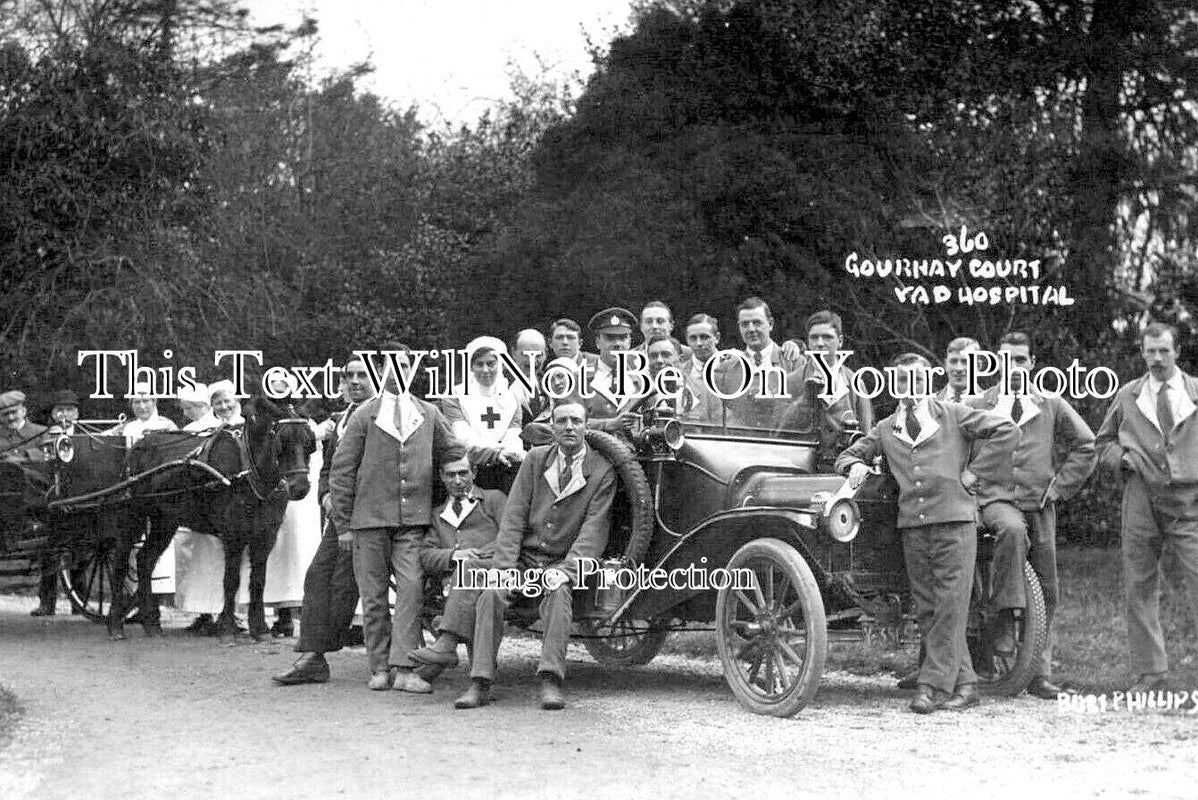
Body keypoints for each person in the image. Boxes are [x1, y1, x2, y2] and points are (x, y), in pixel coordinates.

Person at [836, 353, 1019, 714]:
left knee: (951, 606)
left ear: (927, 381)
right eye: (902, 380)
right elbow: (847, 454)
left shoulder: (952, 413)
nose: (909, 388)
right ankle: (966, 684)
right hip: (913, 528)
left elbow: (1006, 430)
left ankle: (929, 686)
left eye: (916, 380)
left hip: (955, 523)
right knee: (929, 609)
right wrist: (856, 463)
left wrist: (973, 474)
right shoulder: (887, 427)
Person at [410, 399, 616, 710]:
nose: (569, 427)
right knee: (491, 593)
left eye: (576, 421)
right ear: (553, 427)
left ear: (587, 427)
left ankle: (550, 680)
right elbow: (515, 517)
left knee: (558, 593)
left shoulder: (601, 471)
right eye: (562, 421)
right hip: (524, 559)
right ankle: (479, 682)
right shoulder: (535, 460)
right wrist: (505, 566)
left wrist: (568, 569)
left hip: (563, 561)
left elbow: (594, 529)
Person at [969, 332, 1096, 699]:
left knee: (1047, 587)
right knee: (1001, 551)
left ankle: (1038, 673)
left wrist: (1058, 487)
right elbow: (956, 442)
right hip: (995, 500)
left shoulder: (1051, 403)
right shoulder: (981, 403)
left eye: (1021, 360)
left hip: (1039, 504)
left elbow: (1087, 444)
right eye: (1007, 360)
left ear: (1032, 362)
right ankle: (999, 631)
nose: (1014, 368)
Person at [328, 344, 458, 693]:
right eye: (390, 366)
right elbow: (341, 472)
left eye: (405, 366)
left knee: (412, 590)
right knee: (372, 596)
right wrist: (342, 525)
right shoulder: (363, 415)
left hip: (413, 523)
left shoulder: (428, 413)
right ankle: (379, 667)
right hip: (368, 523)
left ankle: (404, 667)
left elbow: (454, 454)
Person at [1095, 322, 1198, 693]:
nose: (1156, 359)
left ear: (1177, 353)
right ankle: (1151, 673)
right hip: (1141, 498)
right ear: (1142, 352)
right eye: (1150, 351)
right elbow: (1101, 443)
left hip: (1189, 501)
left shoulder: (1194, 392)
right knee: (1139, 583)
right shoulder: (1128, 396)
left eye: (1164, 351)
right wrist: (1121, 459)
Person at [274, 355, 376, 685]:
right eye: (350, 376)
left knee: (345, 584)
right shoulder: (341, 419)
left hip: (370, 517)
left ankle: (385, 657)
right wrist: (325, 495)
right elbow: (329, 469)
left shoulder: (381, 415)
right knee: (318, 576)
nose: (356, 381)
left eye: (363, 375)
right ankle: (314, 657)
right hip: (341, 517)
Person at [173, 381, 241, 633]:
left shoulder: (246, 426)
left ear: (236, 402)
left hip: (238, 504)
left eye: (227, 401)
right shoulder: (199, 429)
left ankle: (232, 614)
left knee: (234, 560)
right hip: (207, 504)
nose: (224, 407)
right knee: (203, 558)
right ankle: (204, 612)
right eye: (218, 403)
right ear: (211, 407)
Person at [440, 336, 524, 490]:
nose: (485, 370)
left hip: (506, 468)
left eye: (491, 364)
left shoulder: (512, 398)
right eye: (479, 364)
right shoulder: (455, 396)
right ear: (471, 366)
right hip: (470, 469)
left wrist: (507, 453)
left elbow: (513, 436)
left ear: (501, 365)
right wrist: (494, 454)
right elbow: (462, 437)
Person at [710, 297, 793, 430]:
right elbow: (718, 414)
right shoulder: (726, 369)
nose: (751, 329)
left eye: (757, 323)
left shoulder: (792, 361)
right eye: (745, 324)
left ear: (770, 324)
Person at [583, 307, 651, 436]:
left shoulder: (642, 381)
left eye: (622, 338)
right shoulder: (579, 379)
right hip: (592, 451)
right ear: (598, 342)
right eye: (610, 338)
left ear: (630, 342)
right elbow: (567, 423)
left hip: (635, 453)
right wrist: (609, 424)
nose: (617, 344)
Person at [645, 334, 717, 423]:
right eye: (653, 356)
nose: (659, 360)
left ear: (681, 359)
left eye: (666, 355)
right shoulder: (639, 392)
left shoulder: (706, 391)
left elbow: (723, 427)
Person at [510, 329, 550, 427]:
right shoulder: (500, 384)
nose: (532, 361)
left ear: (546, 354)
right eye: (526, 355)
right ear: (513, 353)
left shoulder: (552, 382)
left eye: (538, 355)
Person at [938, 337, 984, 404]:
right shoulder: (928, 404)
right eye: (953, 361)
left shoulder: (992, 405)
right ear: (946, 365)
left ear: (978, 366)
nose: (958, 368)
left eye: (965, 362)